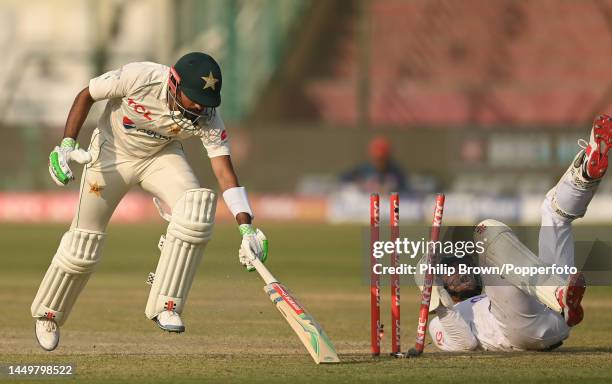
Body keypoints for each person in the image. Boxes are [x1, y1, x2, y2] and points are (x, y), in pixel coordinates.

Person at [32, 52, 268, 351]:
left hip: (161, 157)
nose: (198, 107)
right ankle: (48, 313)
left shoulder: (207, 115)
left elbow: (224, 170)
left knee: (196, 209)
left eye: (204, 101)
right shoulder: (140, 77)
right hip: (111, 154)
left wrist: (246, 228)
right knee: (83, 243)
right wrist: (67, 144)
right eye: (193, 97)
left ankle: (166, 303)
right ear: (173, 83)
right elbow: (86, 95)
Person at [421, 115, 612, 352]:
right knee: (486, 229)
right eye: (448, 273)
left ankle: (585, 172)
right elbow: (465, 344)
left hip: (555, 313)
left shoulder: (489, 291)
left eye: (459, 266)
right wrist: (438, 302)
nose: (459, 272)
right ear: (440, 286)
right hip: (522, 332)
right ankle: (559, 294)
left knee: (554, 212)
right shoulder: (440, 320)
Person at [340, 136, 407, 194]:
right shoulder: (362, 170)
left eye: (382, 158)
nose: (379, 162)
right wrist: (357, 184)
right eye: (376, 158)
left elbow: (405, 191)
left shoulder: (396, 173)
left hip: (388, 205)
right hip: (367, 204)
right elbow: (343, 180)